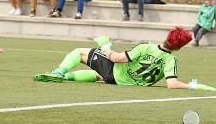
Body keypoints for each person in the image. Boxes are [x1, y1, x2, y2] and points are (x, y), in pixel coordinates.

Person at [34, 27, 216, 91]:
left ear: (167, 37)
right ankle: (64, 78)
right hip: (126, 83)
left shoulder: (146, 46)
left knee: (79, 51)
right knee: (97, 75)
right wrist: (194, 85)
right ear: (179, 47)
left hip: (116, 73)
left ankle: (59, 72)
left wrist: (106, 45)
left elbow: (117, 58)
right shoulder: (172, 61)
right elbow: (172, 84)